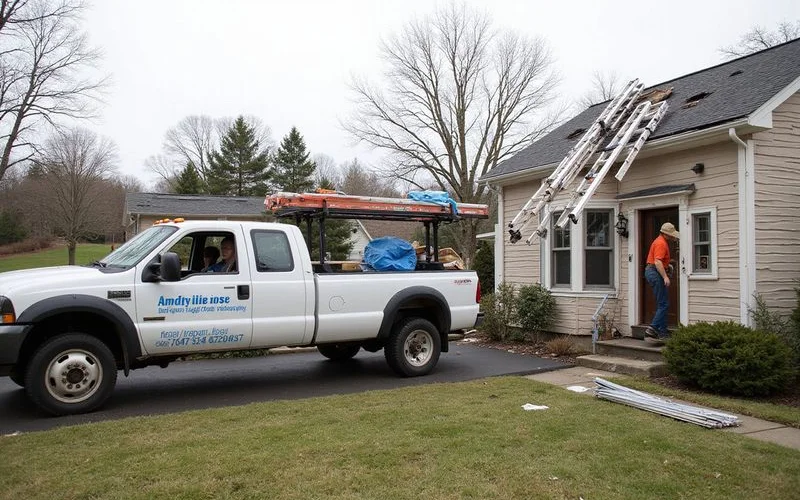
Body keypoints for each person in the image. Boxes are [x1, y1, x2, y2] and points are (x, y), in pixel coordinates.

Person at [644, 222, 679, 340]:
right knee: (664, 304)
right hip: (655, 272)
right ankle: (652, 329)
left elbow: (660, 261)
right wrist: (665, 277)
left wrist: (669, 263)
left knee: (662, 303)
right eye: (672, 234)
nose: (673, 237)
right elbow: (658, 262)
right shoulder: (661, 244)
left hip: (652, 271)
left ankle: (663, 332)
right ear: (666, 234)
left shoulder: (659, 241)